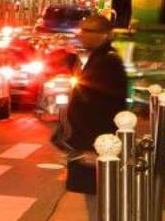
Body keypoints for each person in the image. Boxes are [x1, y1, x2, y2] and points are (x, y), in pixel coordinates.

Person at [55, 14, 130, 218]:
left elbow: (99, 103)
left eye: (88, 31)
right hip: (91, 140)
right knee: (93, 195)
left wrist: (89, 145)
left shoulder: (107, 62)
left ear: (103, 35)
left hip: (96, 142)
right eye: (81, 30)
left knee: (98, 196)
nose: (81, 35)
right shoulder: (98, 59)